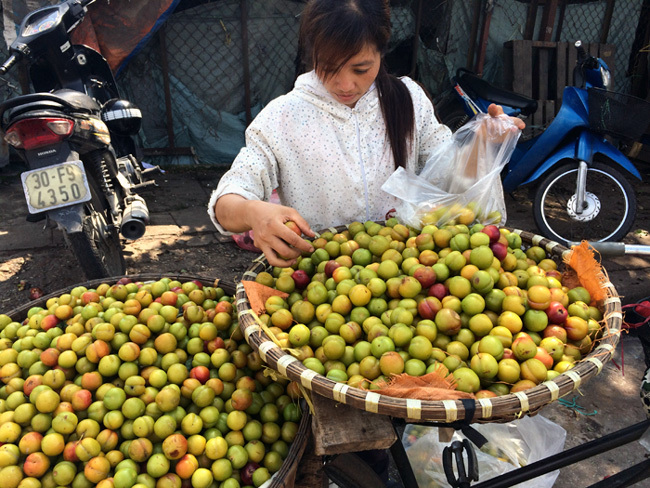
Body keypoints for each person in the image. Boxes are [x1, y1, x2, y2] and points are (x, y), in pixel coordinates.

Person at [208, 0, 524, 268]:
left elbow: (450, 178)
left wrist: (483, 146)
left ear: (381, 51)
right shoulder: (282, 117)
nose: (346, 84)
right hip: (321, 283)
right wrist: (253, 211)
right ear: (311, 52)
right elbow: (230, 196)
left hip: (407, 277)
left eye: (361, 68)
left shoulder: (408, 101)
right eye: (329, 67)